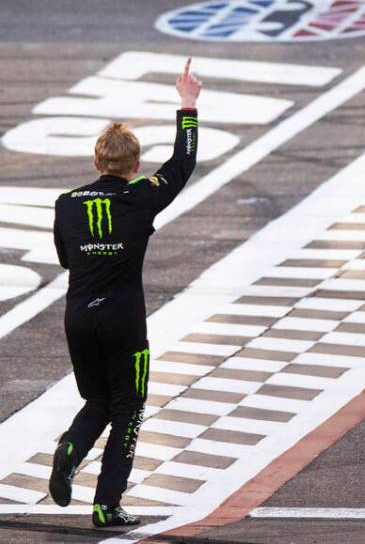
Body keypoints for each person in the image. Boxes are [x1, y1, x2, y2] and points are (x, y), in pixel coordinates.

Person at [49, 58, 201, 528]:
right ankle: (106, 505)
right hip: (123, 322)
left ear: (97, 162)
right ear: (135, 166)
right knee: (128, 410)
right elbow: (182, 163)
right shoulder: (141, 195)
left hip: (78, 318)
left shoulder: (66, 204)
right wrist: (188, 103)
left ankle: (71, 450)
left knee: (97, 402)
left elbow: (64, 259)